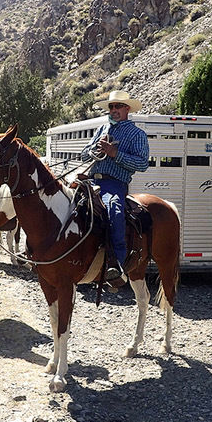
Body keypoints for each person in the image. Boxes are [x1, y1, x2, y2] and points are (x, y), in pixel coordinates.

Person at [81, 90, 149, 283]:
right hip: (92, 180)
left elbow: (142, 164)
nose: (113, 110)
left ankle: (116, 264)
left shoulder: (137, 134)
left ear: (127, 109)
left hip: (114, 184)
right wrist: (95, 149)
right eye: (111, 106)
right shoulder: (102, 129)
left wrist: (115, 154)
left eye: (118, 106)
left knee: (114, 211)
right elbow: (84, 154)